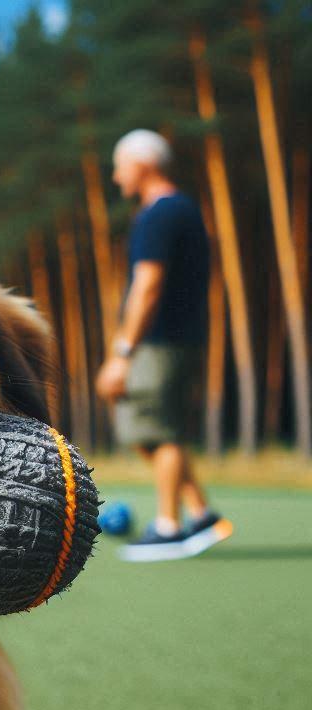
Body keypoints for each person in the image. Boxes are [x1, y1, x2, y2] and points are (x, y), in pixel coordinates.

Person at [96, 129, 232, 561]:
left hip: (162, 343)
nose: (117, 178)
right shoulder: (180, 211)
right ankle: (201, 513)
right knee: (148, 430)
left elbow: (148, 286)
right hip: (176, 341)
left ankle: (170, 527)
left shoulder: (160, 214)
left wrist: (122, 352)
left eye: (120, 166)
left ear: (143, 163)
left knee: (160, 430)